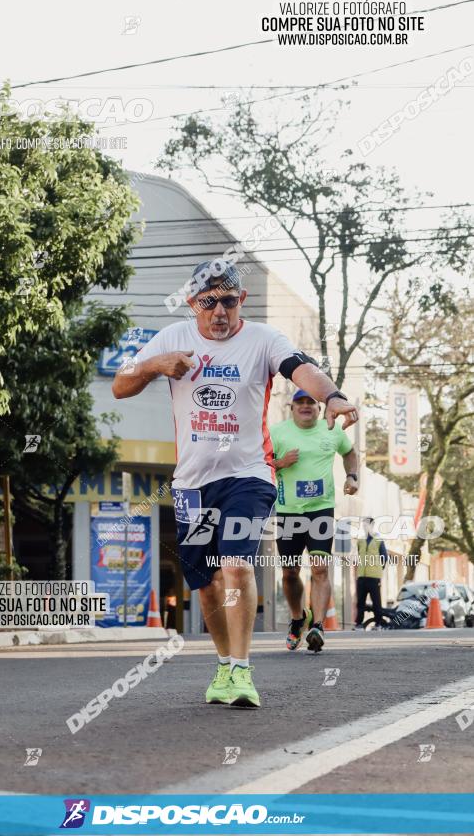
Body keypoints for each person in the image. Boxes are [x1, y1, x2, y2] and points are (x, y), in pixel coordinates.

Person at [112, 258, 358, 707]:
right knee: (205, 582)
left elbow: (299, 367)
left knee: (237, 565)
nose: (220, 312)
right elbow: (120, 386)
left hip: (249, 476)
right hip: (191, 485)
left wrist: (333, 396)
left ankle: (242, 671)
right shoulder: (172, 338)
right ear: (193, 304)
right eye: (209, 302)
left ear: (241, 299)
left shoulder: (263, 339)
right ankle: (224, 665)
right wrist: (156, 365)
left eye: (228, 300)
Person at [270, 390, 359, 653]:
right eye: (301, 402)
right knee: (289, 573)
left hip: (321, 510)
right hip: (287, 511)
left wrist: (352, 476)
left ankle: (318, 626)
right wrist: (280, 462)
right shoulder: (277, 433)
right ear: (292, 407)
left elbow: (350, 453)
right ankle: (299, 619)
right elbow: (257, 463)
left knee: (320, 568)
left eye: (311, 402)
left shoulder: (332, 430)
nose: (306, 406)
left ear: (320, 409)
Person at [354, 517, 389, 629]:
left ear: (372, 525)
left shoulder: (378, 540)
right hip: (361, 576)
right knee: (360, 602)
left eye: (367, 524)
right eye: (363, 525)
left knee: (376, 602)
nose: (365, 527)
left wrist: (378, 569)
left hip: (374, 577)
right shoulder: (360, 540)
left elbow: (384, 557)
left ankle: (378, 623)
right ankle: (359, 624)